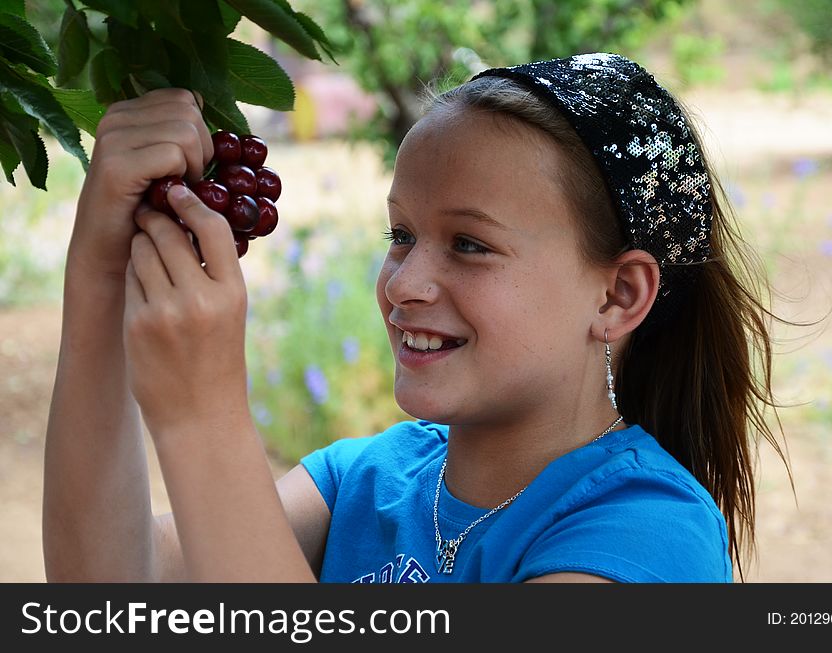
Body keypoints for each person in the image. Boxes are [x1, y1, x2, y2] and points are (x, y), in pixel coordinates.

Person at [43, 52, 789, 583]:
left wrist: (202, 415)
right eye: (401, 234)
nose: (405, 283)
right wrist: (98, 277)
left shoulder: (649, 536)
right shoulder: (366, 481)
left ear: (618, 295)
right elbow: (110, 585)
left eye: (469, 243)